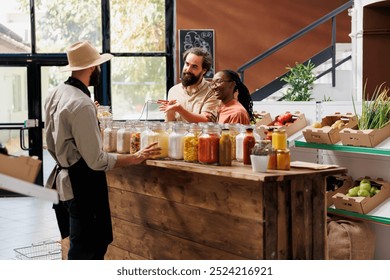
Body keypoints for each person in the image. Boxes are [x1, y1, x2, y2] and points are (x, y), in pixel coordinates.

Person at [44, 41, 161, 260]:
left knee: (79, 245)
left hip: (64, 181)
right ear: (91, 68)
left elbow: (53, 138)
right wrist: (134, 157)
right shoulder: (82, 103)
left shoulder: (56, 92)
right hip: (82, 186)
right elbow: (96, 161)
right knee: (89, 249)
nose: (99, 70)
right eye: (97, 65)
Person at [158, 47, 219, 123]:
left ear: (204, 70)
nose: (188, 69)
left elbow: (206, 120)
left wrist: (180, 110)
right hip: (178, 134)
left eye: (194, 66)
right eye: (187, 64)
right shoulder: (173, 91)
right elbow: (169, 124)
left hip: (201, 135)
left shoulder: (213, 91)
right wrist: (170, 111)